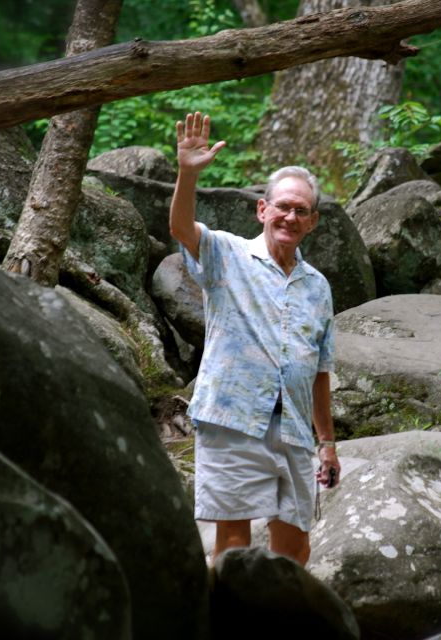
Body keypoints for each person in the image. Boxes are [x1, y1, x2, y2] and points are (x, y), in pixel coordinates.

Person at [169, 111, 341, 567]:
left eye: (300, 209)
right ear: (262, 210)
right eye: (282, 205)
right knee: (233, 547)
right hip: (233, 419)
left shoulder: (318, 286)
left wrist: (327, 442)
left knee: (296, 548)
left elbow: (319, 370)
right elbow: (182, 229)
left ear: (313, 221)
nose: (290, 215)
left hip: (295, 430)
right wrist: (188, 174)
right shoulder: (227, 253)